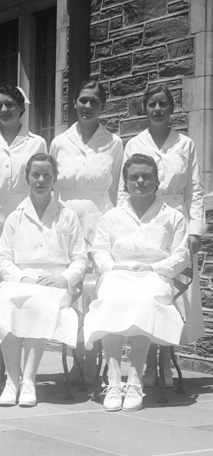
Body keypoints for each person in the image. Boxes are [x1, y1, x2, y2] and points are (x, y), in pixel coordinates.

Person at [85, 154, 189, 412]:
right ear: (125, 182)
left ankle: (134, 379)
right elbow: (99, 249)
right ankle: (113, 381)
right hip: (118, 274)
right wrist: (111, 268)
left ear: (157, 181)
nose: (140, 181)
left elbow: (181, 254)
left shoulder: (173, 216)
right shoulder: (112, 216)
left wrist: (154, 267)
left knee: (143, 302)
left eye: (146, 176)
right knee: (111, 299)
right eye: (134, 177)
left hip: (155, 276)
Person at [119, 84, 205, 387]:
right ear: (145, 108)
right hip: (145, 220)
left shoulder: (185, 144)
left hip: (177, 222)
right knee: (148, 291)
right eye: (152, 104)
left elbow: (195, 190)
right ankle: (148, 367)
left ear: (172, 108)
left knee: (173, 295)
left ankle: (168, 362)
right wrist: (124, 226)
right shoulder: (134, 144)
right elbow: (123, 189)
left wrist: (195, 231)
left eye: (163, 104)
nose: (157, 110)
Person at [0, 153, 87, 407]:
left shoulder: (68, 216)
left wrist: (64, 279)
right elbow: (2, 259)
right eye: (36, 175)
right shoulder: (15, 217)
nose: (41, 180)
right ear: (27, 178)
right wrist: (22, 277)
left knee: (40, 302)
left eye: (47, 175)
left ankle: (29, 379)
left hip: (54, 282)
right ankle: (12, 379)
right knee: (8, 300)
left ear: (54, 179)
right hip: (20, 279)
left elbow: (80, 258)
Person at [49, 80, 123, 384]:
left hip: (100, 222)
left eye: (93, 101)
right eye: (82, 100)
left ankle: (93, 360)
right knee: (71, 290)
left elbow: (118, 189)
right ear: (74, 104)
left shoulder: (114, 143)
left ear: (102, 106)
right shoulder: (59, 142)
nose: (87, 106)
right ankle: (74, 358)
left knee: (96, 292)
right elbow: (52, 189)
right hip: (67, 221)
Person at [0, 84, 46, 382]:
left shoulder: (37, 142)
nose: (4, 110)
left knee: (19, 288)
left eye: (9, 105)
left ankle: (19, 364)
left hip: (23, 219)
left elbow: (40, 179)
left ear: (22, 109)